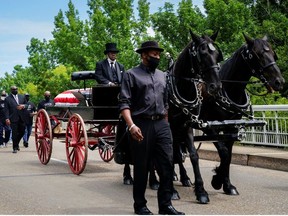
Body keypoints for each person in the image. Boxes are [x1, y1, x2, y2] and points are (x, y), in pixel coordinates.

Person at [119, 41, 185, 215]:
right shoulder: (131, 74)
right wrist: (131, 125)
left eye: (158, 54)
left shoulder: (163, 76)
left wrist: (166, 123)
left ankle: (165, 205)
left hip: (162, 124)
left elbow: (166, 102)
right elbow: (124, 104)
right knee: (142, 166)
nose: (157, 57)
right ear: (143, 55)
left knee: (167, 165)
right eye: (154, 54)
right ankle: (140, 205)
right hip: (141, 124)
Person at [4, 86, 28, 153]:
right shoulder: (7, 99)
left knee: (22, 132)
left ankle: (16, 143)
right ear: (11, 90)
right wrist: (7, 118)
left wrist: (23, 106)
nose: (15, 90)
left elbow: (27, 105)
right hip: (13, 118)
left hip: (22, 117)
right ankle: (15, 148)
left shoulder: (22, 97)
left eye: (16, 89)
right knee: (14, 133)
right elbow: (6, 110)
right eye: (13, 89)